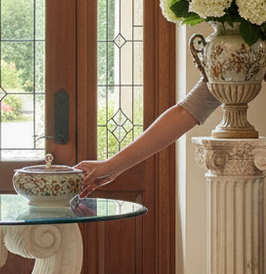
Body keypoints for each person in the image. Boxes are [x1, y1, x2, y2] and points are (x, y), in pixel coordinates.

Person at [75, 79, 220, 197]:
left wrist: (110, 166)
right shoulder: (220, 68)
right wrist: (111, 166)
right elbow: (186, 111)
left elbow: (186, 111)